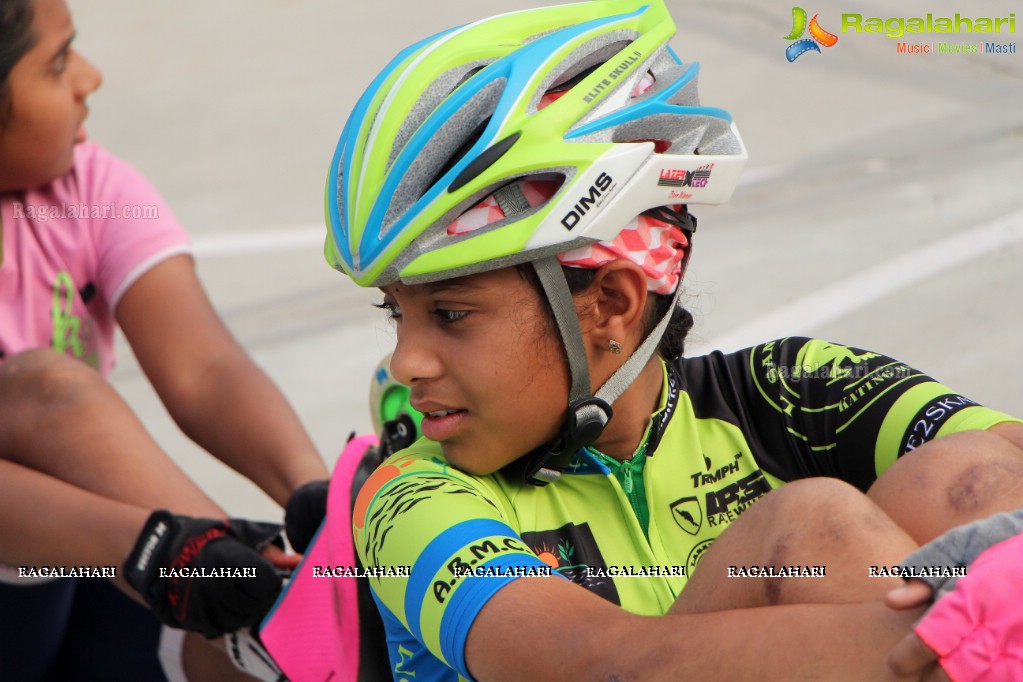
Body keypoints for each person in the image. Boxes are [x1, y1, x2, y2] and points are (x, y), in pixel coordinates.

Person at [317, 0, 1023, 679]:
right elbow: (604, 668)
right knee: (808, 534)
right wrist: (964, 630)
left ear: (611, 305)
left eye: (449, 314)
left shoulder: (789, 387)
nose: (404, 362)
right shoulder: (409, 495)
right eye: (396, 313)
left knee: (971, 478)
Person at [0, 0, 330, 679]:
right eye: (58, 62)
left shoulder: (87, 183)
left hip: (75, 570)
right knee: (50, 388)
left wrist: (316, 494)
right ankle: (255, 609)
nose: (89, 78)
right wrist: (167, 549)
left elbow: (203, 368)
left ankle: (270, 617)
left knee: (223, 631)